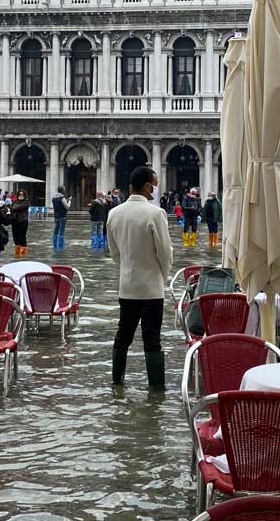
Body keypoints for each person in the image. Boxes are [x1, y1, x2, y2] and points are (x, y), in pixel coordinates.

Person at [107, 166, 172, 390]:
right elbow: (164, 252)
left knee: (123, 334)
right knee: (152, 338)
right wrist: (161, 276)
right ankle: (156, 389)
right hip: (152, 288)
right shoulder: (155, 213)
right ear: (146, 186)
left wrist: (127, 269)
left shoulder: (114, 213)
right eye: (154, 183)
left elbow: (114, 252)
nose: (156, 188)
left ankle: (117, 382)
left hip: (126, 285)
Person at [11, 189, 30, 256]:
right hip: (15, 221)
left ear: (24, 195)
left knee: (22, 237)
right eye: (19, 194)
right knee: (15, 238)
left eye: (22, 194)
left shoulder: (26, 201)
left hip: (23, 221)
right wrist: (14, 207)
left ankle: (23, 254)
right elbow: (12, 208)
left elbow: (20, 207)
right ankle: (17, 253)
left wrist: (15, 207)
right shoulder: (15, 201)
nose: (21, 195)